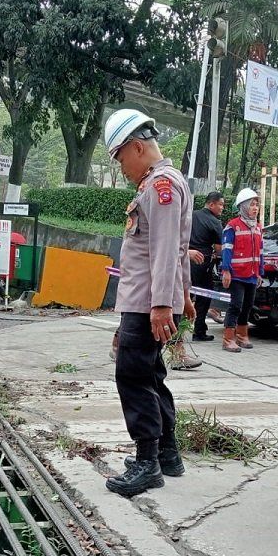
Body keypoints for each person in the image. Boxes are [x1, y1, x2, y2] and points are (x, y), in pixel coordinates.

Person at [101, 109, 194, 498]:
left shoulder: (161, 187)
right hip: (150, 301)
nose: (122, 167)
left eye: (121, 157)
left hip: (146, 304)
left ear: (137, 147)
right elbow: (179, 251)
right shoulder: (160, 185)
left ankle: (146, 462)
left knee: (134, 378)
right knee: (152, 375)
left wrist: (161, 306)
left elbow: (165, 248)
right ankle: (167, 453)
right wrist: (183, 297)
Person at [219, 188, 264, 353]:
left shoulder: (258, 227)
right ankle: (228, 338)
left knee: (248, 305)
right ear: (243, 206)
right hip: (237, 274)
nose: (255, 208)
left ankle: (242, 335)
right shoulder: (232, 226)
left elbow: (260, 251)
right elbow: (226, 250)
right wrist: (226, 270)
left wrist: (260, 272)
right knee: (235, 305)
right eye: (252, 205)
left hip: (252, 275)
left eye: (256, 205)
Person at [188, 191, 225, 342]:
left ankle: (175, 331)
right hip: (202, 263)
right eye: (221, 204)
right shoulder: (215, 222)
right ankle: (199, 331)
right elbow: (219, 249)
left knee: (184, 295)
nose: (222, 208)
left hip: (185, 258)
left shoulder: (191, 215)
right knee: (205, 295)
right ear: (211, 204)